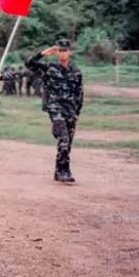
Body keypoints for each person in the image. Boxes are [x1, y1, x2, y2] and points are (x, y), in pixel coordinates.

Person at [25, 39, 83, 183]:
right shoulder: (50, 68)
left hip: (70, 109)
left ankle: (59, 171)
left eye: (65, 51)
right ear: (57, 52)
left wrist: (77, 112)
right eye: (60, 51)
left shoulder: (76, 71)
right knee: (63, 136)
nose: (63, 54)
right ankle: (65, 170)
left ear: (70, 52)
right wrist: (42, 53)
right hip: (54, 107)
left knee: (67, 142)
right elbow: (29, 64)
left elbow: (79, 93)